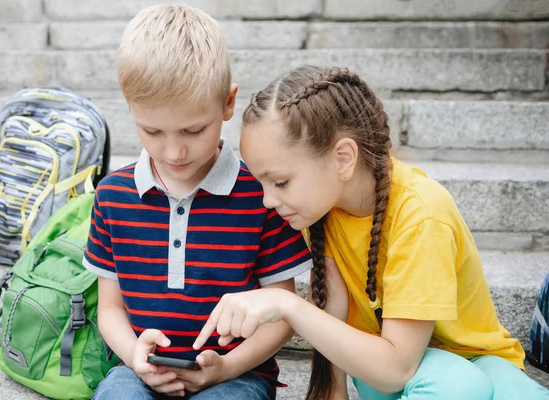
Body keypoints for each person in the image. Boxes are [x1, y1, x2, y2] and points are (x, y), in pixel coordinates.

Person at [193, 65, 549, 400]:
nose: (268, 201)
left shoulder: (421, 214)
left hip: (471, 360)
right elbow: (366, 342)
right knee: (458, 387)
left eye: (281, 182)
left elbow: (399, 364)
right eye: (262, 183)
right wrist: (332, 388)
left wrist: (287, 303)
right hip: (387, 367)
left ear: (343, 158)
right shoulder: (316, 210)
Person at [83, 6, 312, 399]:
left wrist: (226, 367)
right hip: (139, 372)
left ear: (227, 103)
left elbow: (283, 316)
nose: (173, 151)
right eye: (152, 130)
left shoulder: (261, 196)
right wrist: (134, 355)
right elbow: (110, 309)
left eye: (193, 129)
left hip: (239, 374)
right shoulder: (112, 196)